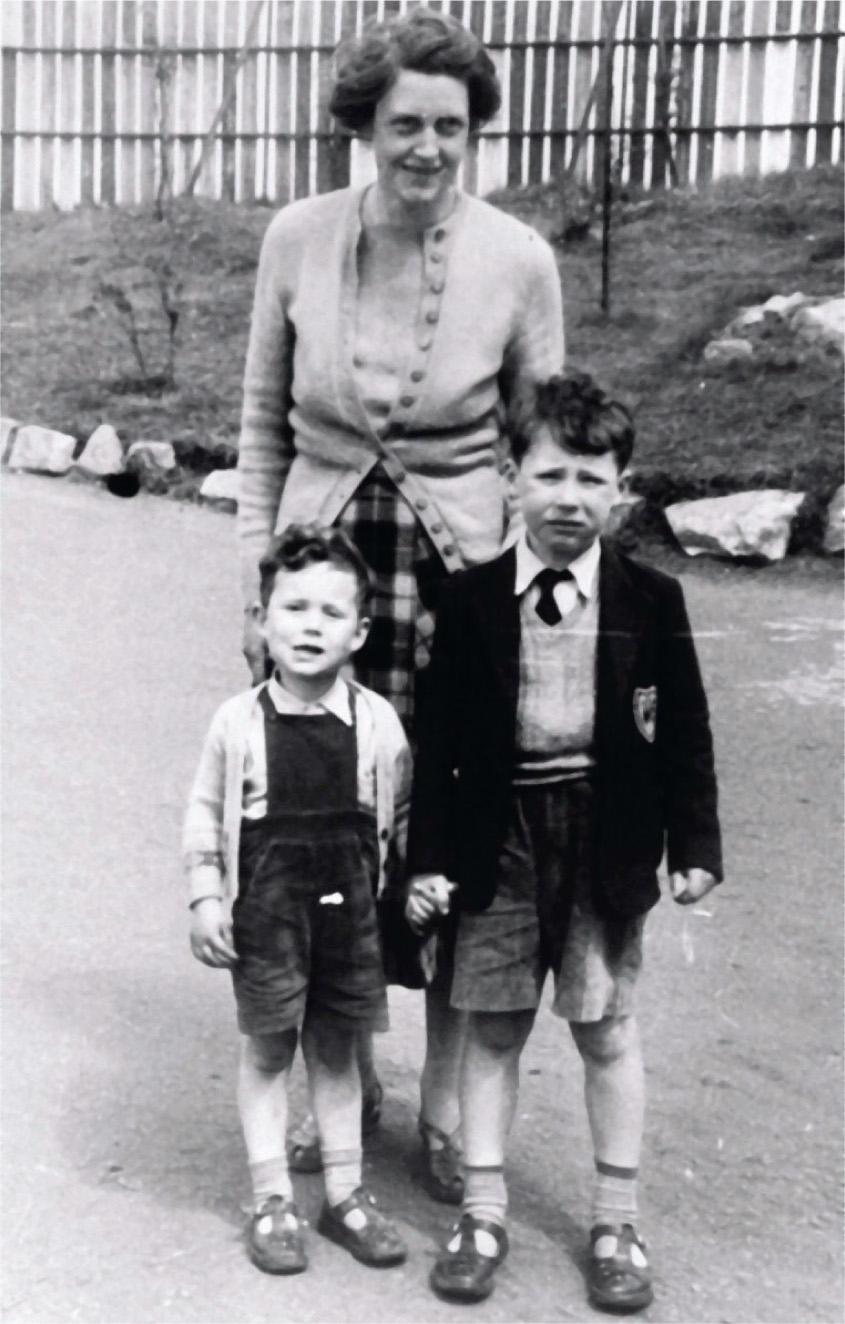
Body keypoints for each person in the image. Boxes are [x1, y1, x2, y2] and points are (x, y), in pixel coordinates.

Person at [236, 5, 564, 1199]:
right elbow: (262, 425)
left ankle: (437, 1101)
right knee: (326, 819)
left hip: (462, 576)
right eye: (403, 124)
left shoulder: (519, 258)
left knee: (449, 826)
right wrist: (258, 583)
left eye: (452, 126)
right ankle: (344, 1067)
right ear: (363, 127)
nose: (427, 147)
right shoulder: (295, 237)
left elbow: (541, 443)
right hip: (323, 566)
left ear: (475, 131)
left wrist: (531, 602)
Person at [406, 374, 723, 1310]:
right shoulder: (465, 603)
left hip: (604, 837)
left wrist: (694, 840)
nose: (568, 499)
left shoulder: (651, 599)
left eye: (592, 479)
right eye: (548, 475)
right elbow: (440, 747)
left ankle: (615, 1219)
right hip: (494, 840)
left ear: (621, 490)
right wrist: (427, 856)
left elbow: (688, 728)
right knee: (493, 1025)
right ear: (510, 478)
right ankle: (483, 1208)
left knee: (605, 1027)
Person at [184, 526, 411, 1275]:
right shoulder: (236, 722)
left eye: (331, 613)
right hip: (269, 913)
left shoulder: (377, 722)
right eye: (294, 607)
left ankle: (343, 1195)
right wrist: (206, 897)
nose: (310, 626)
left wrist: (412, 888)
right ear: (262, 619)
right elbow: (203, 813)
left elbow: (399, 819)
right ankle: (272, 1198)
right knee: (270, 1048)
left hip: (348, 911)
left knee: (338, 1052)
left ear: (361, 632)